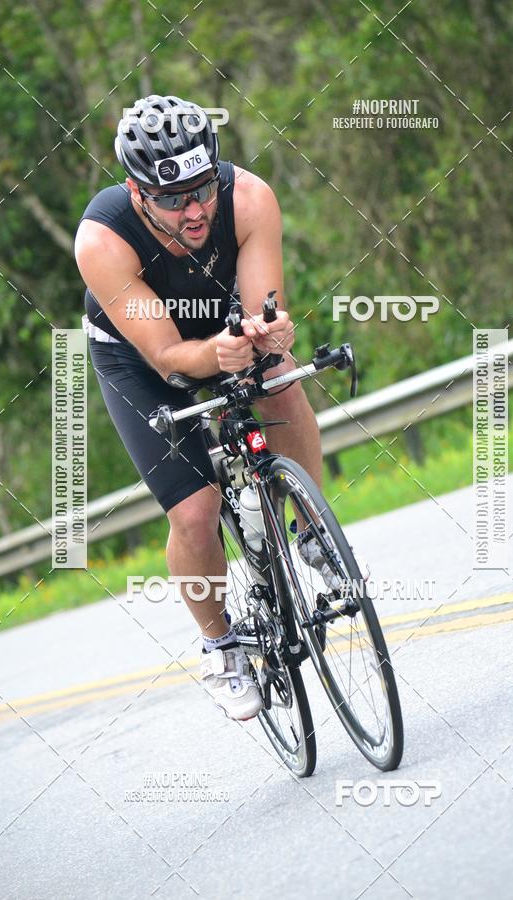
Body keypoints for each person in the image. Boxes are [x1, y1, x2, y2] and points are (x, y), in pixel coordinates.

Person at [74, 95, 324, 721]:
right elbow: (165, 356)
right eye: (173, 199)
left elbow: (263, 307)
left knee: (282, 380)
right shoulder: (101, 240)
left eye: (202, 189)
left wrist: (272, 334)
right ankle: (222, 645)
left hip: (221, 324)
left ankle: (313, 532)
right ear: (137, 193)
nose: (195, 210)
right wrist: (217, 357)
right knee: (196, 510)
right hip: (141, 356)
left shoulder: (249, 198)